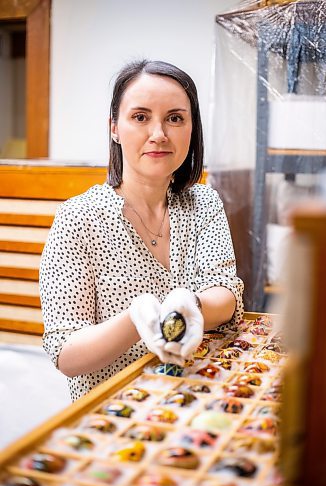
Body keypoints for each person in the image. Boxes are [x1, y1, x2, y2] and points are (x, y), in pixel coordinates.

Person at [39, 60, 244, 401]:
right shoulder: (78, 218)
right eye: (140, 117)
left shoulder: (203, 201)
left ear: (192, 129)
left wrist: (188, 303)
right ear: (114, 128)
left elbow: (225, 295)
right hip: (115, 417)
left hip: (200, 394)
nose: (159, 134)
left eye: (175, 118)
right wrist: (137, 319)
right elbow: (67, 354)